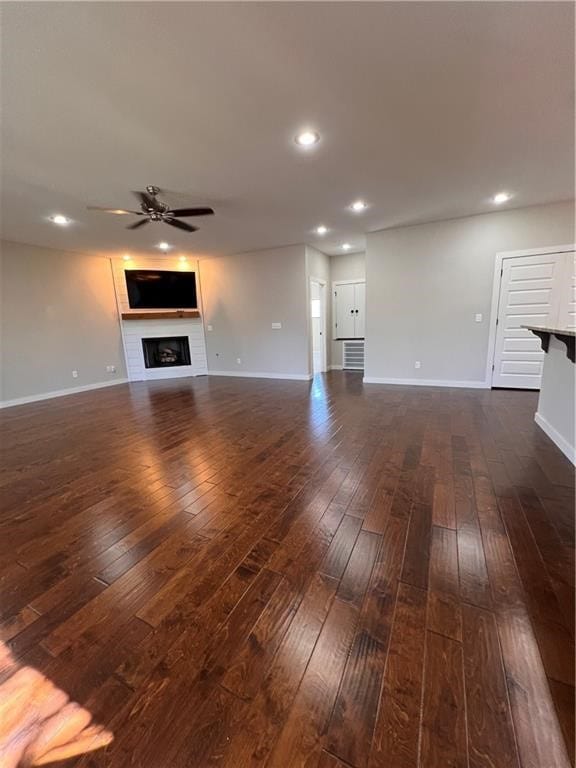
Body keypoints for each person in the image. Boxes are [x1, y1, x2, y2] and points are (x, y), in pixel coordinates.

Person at [0, 642, 112, 767]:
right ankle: (38, 754)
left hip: (21, 729)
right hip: (20, 745)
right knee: (79, 715)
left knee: (30, 678)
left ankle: (36, 755)